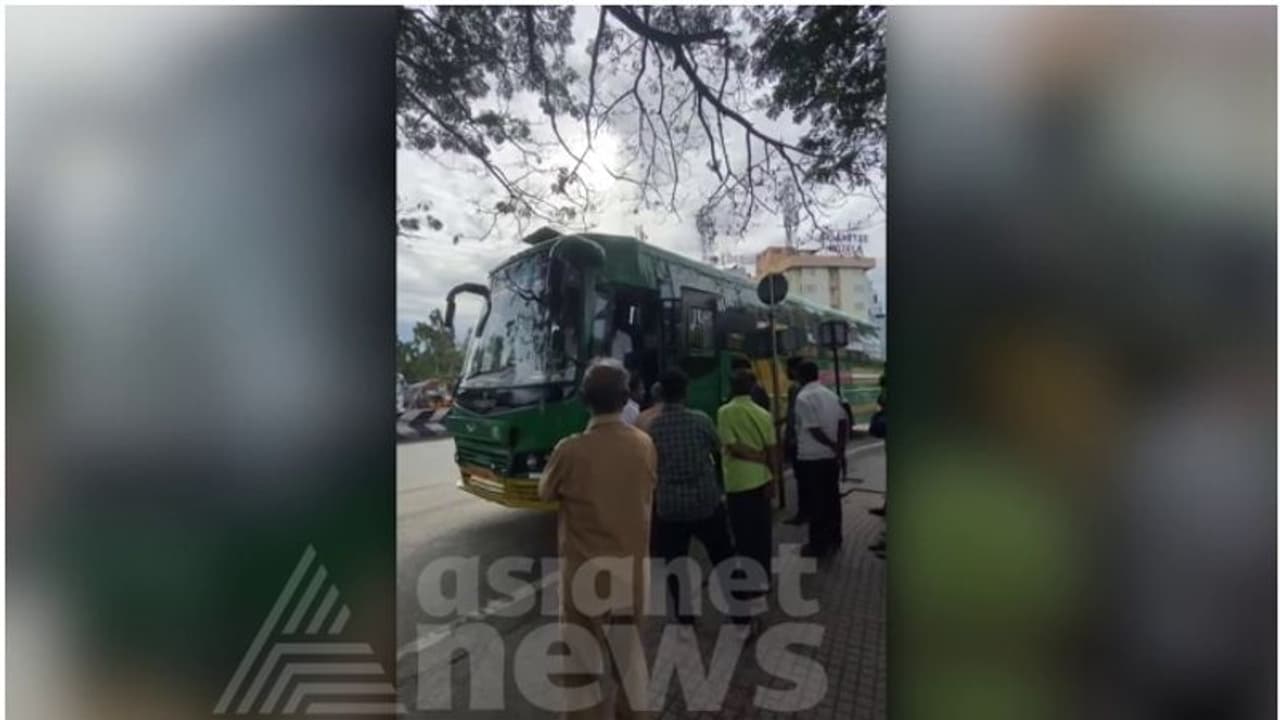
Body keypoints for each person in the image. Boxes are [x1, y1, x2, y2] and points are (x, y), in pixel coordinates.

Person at [538, 359, 656, 719]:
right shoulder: (644, 443)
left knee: (580, 671)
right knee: (629, 665)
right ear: (625, 398)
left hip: (584, 578)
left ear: (584, 399)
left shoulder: (569, 450)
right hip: (630, 575)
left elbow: (545, 492)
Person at [646, 368, 742, 636]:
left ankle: (685, 618)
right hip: (705, 502)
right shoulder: (701, 420)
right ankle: (740, 613)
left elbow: (651, 466)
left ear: (661, 394)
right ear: (685, 392)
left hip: (670, 507)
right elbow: (718, 448)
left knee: (676, 562)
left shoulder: (653, 428)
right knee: (723, 556)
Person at [717, 369, 778, 627]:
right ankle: (764, 580)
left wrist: (754, 457)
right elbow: (772, 449)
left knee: (743, 536)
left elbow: (731, 446)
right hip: (761, 481)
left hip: (738, 483)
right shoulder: (763, 413)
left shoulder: (725, 412)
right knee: (763, 533)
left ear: (731, 387)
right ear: (752, 388)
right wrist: (772, 479)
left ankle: (748, 582)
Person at [792, 360, 848, 558]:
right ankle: (835, 537)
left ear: (800, 376)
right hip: (830, 458)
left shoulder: (803, 397)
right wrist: (839, 449)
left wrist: (833, 445)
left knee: (816, 502)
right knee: (832, 498)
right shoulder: (831, 395)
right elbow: (843, 422)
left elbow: (814, 429)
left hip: (811, 458)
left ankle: (817, 545)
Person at [782, 356, 808, 526]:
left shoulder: (795, 388)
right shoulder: (808, 387)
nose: (786, 371)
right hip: (807, 440)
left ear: (794, 370)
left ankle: (803, 514)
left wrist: (789, 437)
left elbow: (793, 415)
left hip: (798, 441)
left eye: (788, 368)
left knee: (802, 478)